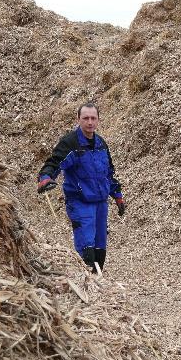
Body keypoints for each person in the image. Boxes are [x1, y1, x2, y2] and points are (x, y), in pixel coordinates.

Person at [37, 102, 125, 273]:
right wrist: (45, 178)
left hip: (101, 203)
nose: (90, 122)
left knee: (100, 247)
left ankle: (98, 284)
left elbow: (108, 174)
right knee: (87, 247)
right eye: (85, 118)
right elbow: (54, 163)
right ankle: (87, 284)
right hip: (80, 202)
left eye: (93, 118)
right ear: (78, 119)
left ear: (98, 120)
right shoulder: (70, 143)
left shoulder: (101, 144)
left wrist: (118, 196)